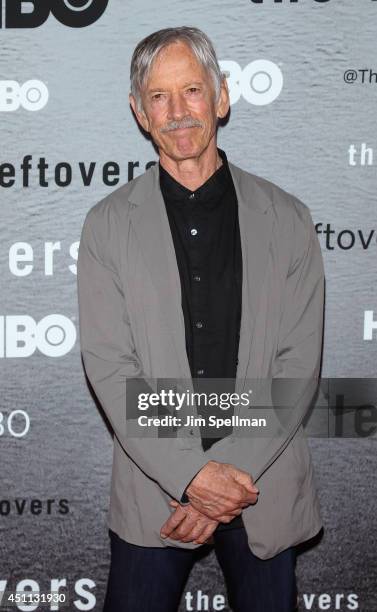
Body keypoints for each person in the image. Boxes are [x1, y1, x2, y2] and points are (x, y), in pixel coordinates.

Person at [77, 26, 325, 612]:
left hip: (262, 482)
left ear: (222, 96)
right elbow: (111, 368)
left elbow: (297, 364)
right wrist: (191, 476)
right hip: (153, 487)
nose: (178, 111)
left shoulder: (288, 217)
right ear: (139, 112)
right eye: (159, 97)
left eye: (192, 90)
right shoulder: (107, 225)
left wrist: (220, 481)